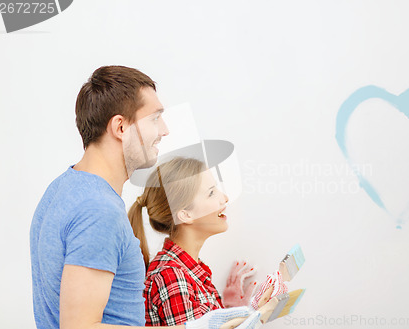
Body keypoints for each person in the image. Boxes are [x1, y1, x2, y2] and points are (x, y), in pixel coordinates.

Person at [29, 65, 262, 329]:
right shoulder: (98, 210)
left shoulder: (62, 189)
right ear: (120, 127)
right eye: (155, 118)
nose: (164, 130)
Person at [129, 157, 258, 326]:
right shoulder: (172, 276)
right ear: (185, 214)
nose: (224, 198)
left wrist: (231, 310)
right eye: (211, 193)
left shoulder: (189, 270)